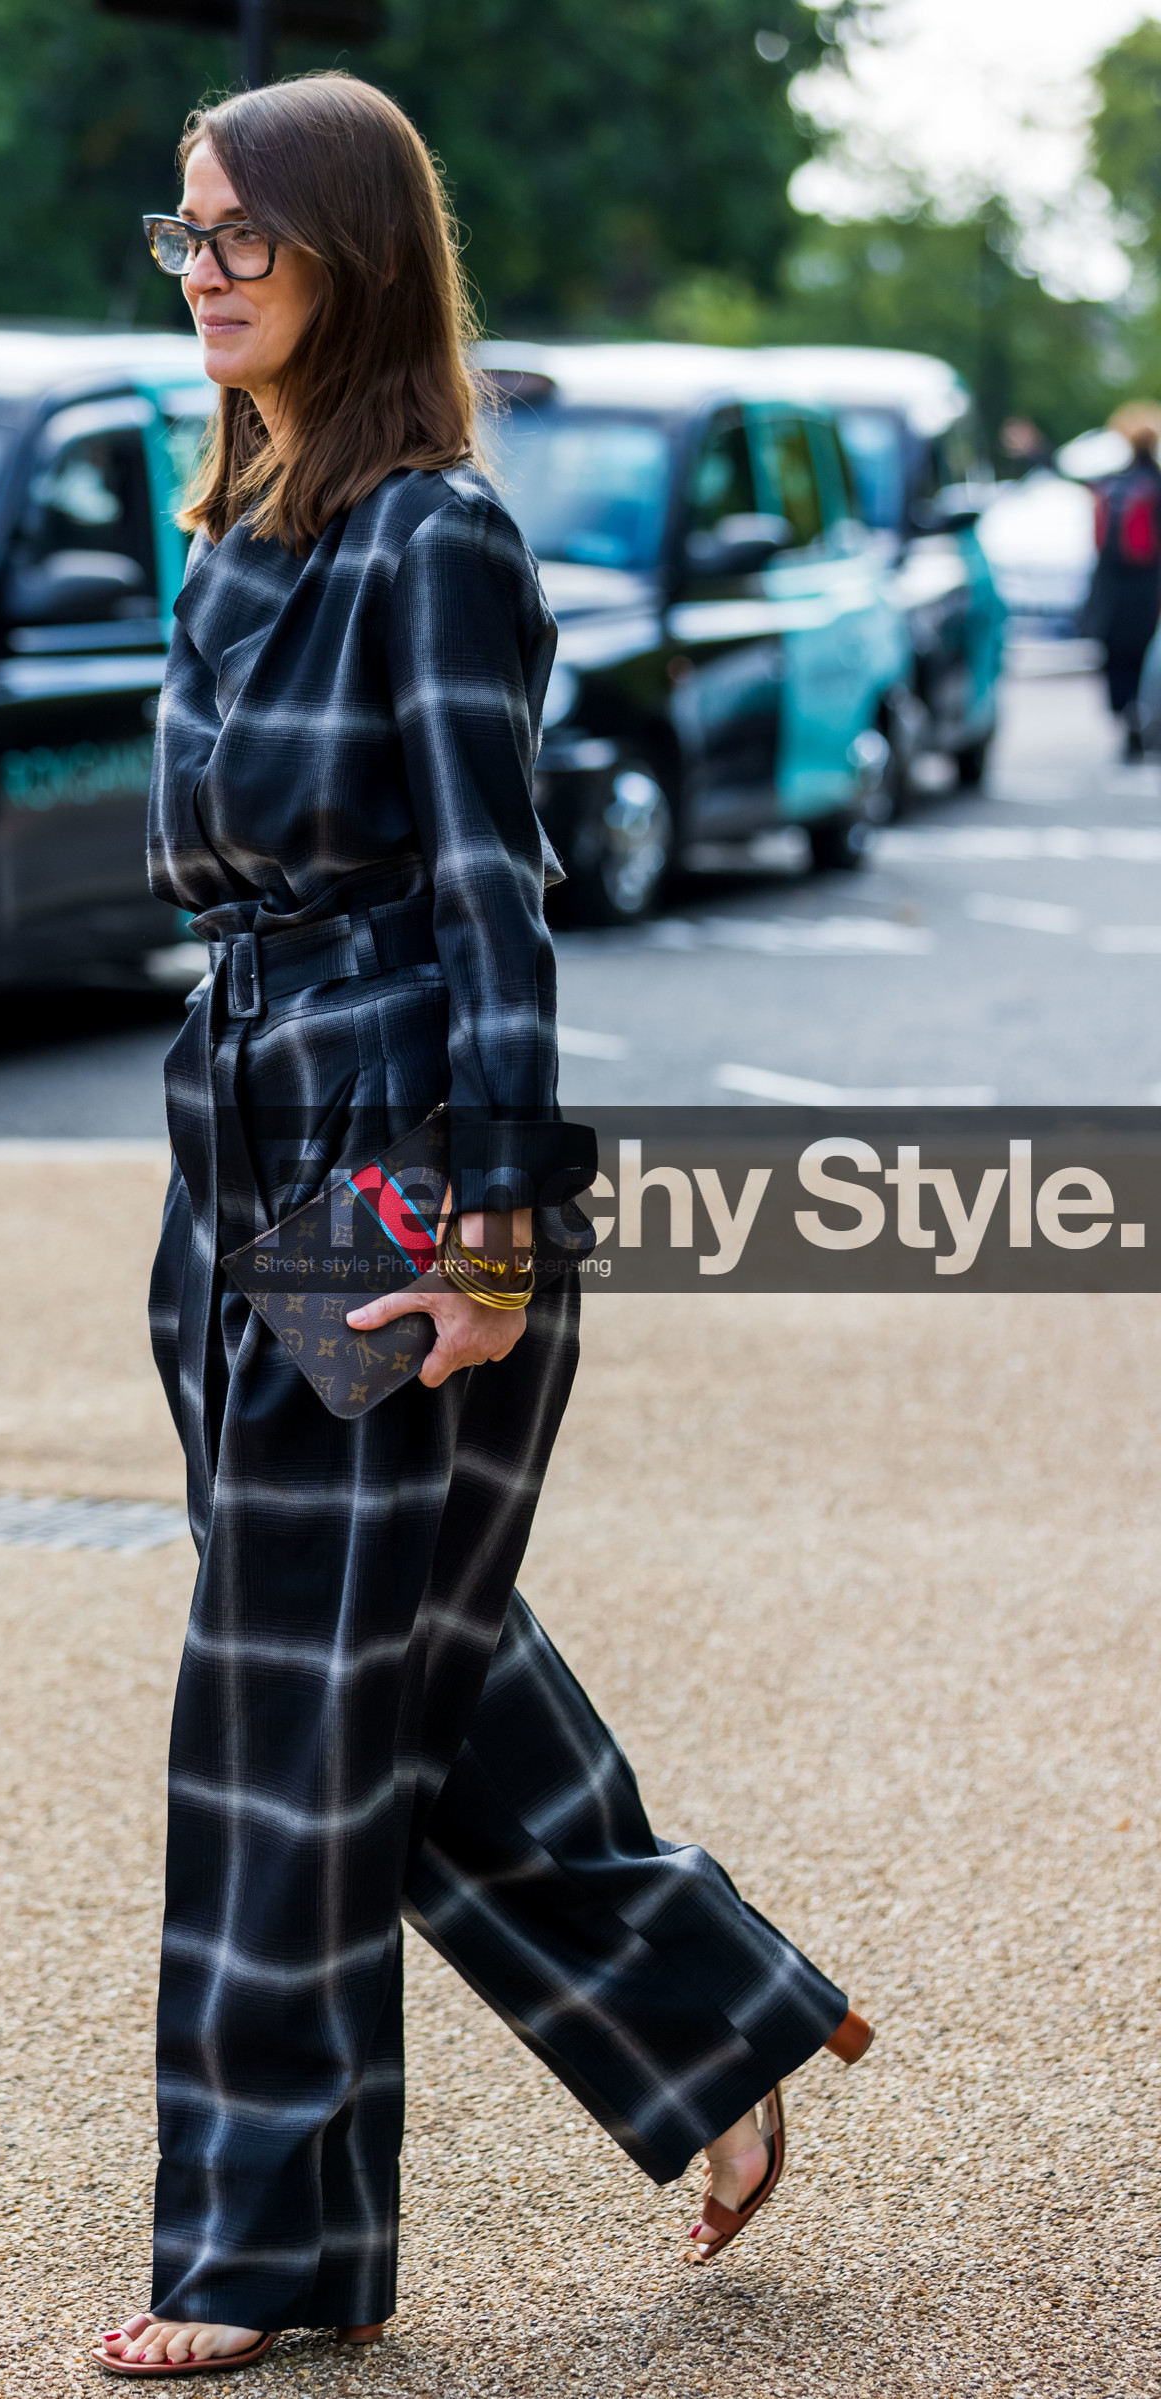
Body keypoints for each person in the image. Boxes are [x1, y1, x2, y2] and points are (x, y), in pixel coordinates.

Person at [100, 72, 872, 2380]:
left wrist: (486, 1226)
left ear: (355, 251)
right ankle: (718, 2008)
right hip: (234, 1131)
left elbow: (488, 897)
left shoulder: (431, 537)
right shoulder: (238, 522)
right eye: (184, 234)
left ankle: (262, 2249)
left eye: (243, 233)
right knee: (385, 1674)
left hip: (382, 1149)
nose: (205, 268)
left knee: (290, 1712)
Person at [1086, 401, 1161, 761]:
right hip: (1149, 586)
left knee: (1117, 658)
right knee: (1147, 655)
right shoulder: (1156, 484)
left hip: (1112, 588)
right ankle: (1145, 719)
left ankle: (1127, 718)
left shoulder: (1111, 484)